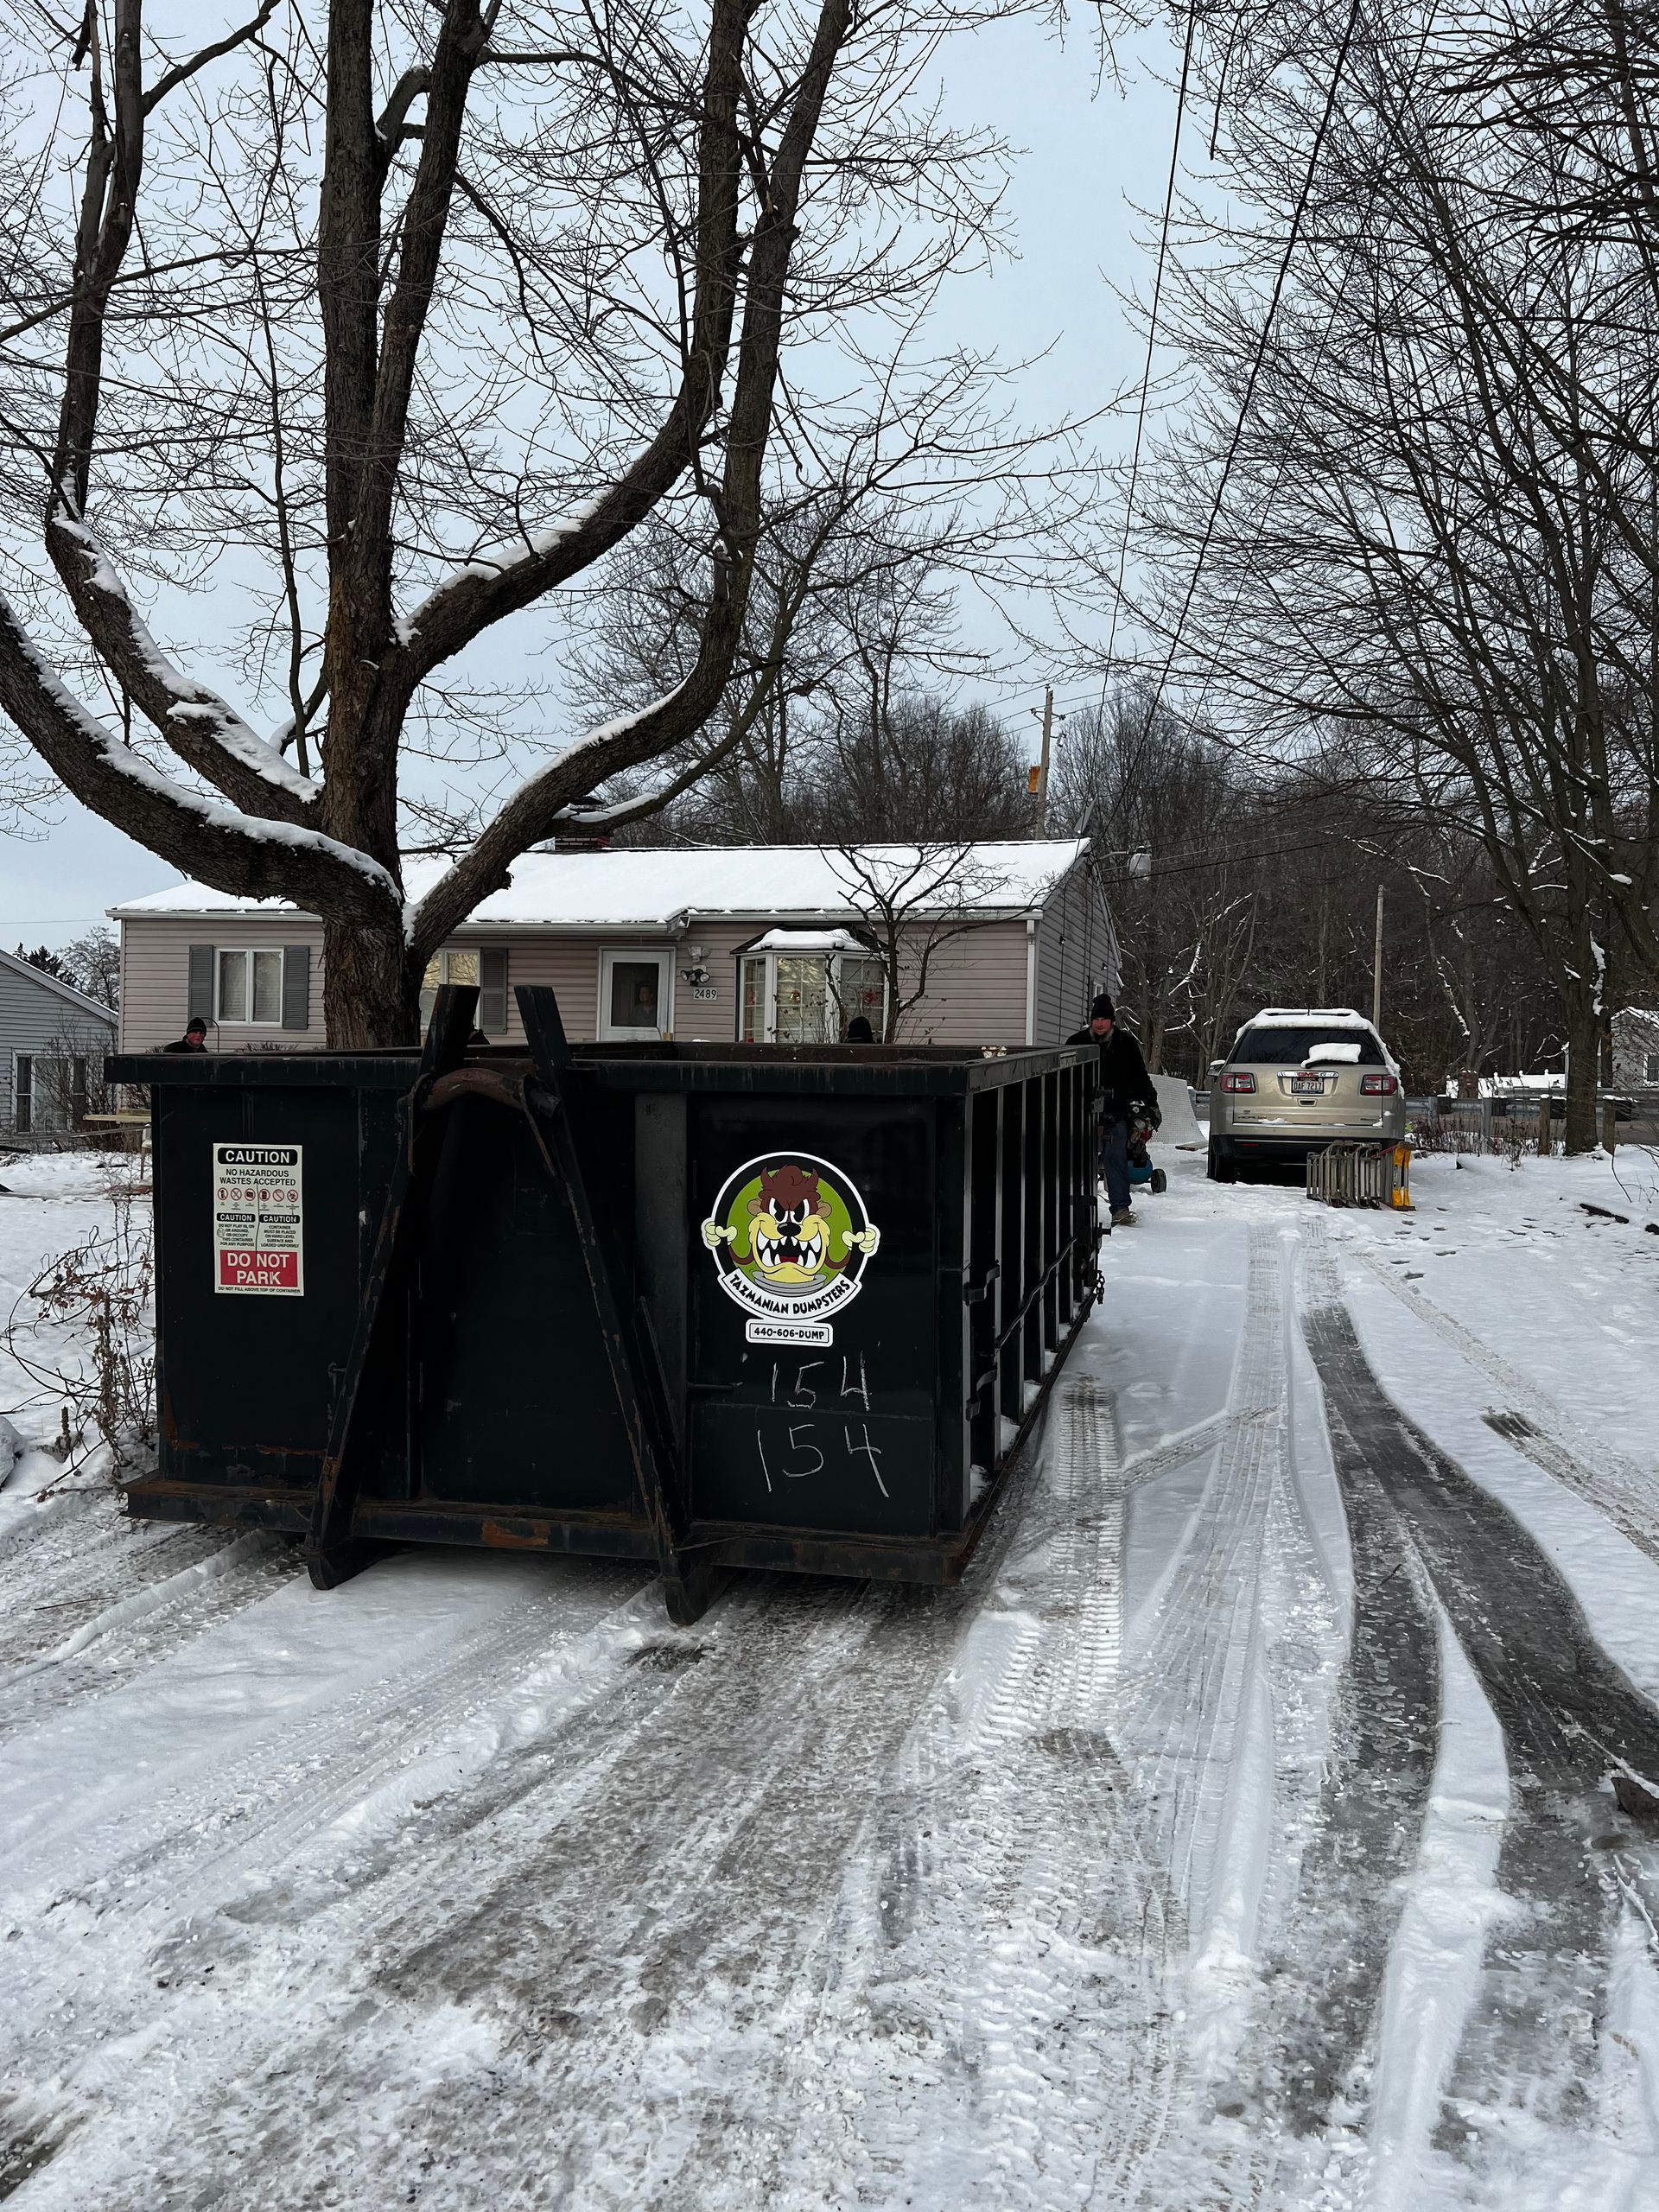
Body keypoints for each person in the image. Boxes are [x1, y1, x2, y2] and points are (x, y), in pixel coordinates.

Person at [1065, 993, 1157, 1228]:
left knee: (1115, 1156)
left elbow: (1139, 1077)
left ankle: (1120, 1208)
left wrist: (1151, 1103)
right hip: (1080, 1111)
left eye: (1104, 1019)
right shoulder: (1076, 1043)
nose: (1099, 1023)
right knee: (1074, 1159)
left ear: (1112, 1021)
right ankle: (1071, 1207)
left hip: (1115, 1111)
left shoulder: (1126, 1044)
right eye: (1096, 1018)